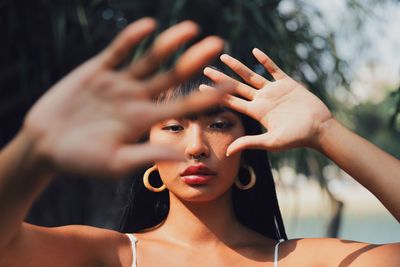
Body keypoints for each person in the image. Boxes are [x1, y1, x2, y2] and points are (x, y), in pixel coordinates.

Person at [0, 17, 399, 267]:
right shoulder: (114, 256)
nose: (196, 146)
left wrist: (325, 131)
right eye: (173, 127)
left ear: (249, 148)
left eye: (220, 124)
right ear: (148, 154)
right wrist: (31, 152)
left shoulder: (294, 261)